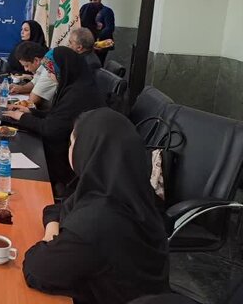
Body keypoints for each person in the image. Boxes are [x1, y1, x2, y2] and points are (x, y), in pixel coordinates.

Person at [23, 108, 170, 304]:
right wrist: (53, 226)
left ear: (87, 149)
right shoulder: (129, 191)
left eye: (72, 142)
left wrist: (51, 237)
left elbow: (37, 270)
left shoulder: (98, 221)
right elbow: (57, 209)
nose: (70, 149)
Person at [2, 46, 104, 189]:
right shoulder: (75, 85)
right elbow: (58, 116)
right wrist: (31, 112)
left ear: (63, 70)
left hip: (65, 159)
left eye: (51, 71)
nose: (49, 76)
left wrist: (22, 118)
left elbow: (51, 129)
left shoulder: (78, 95)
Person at [8, 41, 56, 110]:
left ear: (36, 60)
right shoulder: (42, 67)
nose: (26, 69)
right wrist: (20, 88)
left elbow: (32, 100)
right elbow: (33, 83)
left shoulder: (48, 71)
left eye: (26, 65)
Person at [79, 0, 115, 65]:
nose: (93, 2)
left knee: (98, 65)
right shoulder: (86, 9)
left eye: (95, 0)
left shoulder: (106, 11)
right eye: (90, 0)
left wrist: (96, 39)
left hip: (101, 44)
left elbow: (109, 28)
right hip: (88, 44)